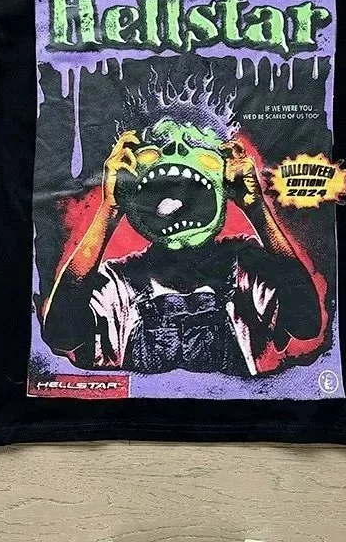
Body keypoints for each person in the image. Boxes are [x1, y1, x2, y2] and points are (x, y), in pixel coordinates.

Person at [40, 71, 328, 376]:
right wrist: (109, 209)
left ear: (226, 176)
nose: (176, 148)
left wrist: (255, 208)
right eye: (158, 144)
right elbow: (62, 335)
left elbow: (305, 324)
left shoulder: (245, 266)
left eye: (197, 142)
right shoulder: (118, 283)